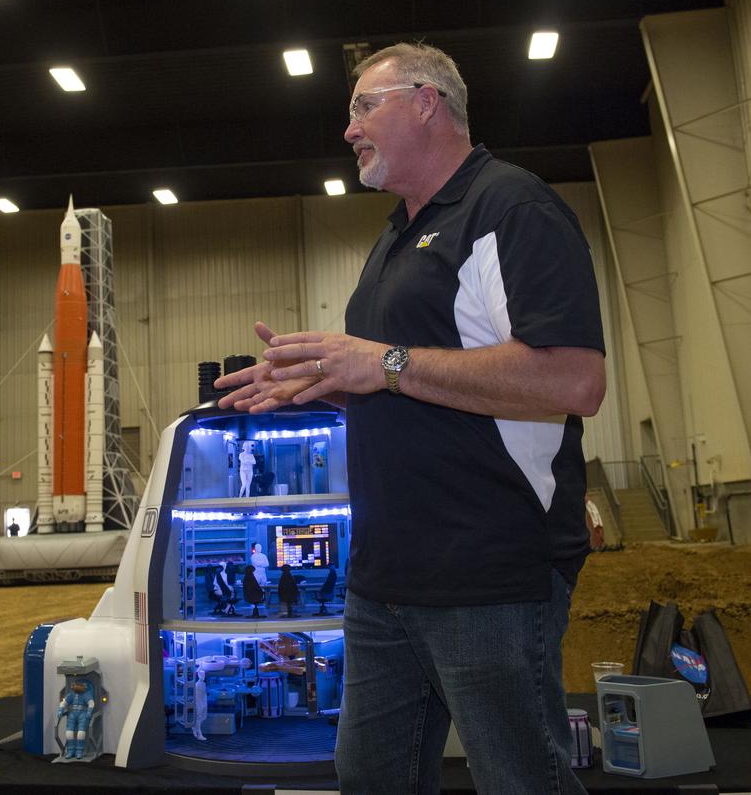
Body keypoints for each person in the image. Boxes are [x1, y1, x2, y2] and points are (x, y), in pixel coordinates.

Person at [216, 43, 605, 794]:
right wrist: (321, 382)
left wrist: (384, 361)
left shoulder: (510, 207)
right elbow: (409, 387)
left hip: (486, 572)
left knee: (523, 779)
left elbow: (573, 377)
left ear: (426, 101)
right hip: (386, 577)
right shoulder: (395, 237)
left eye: (364, 107)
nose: (348, 130)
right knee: (369, 778)